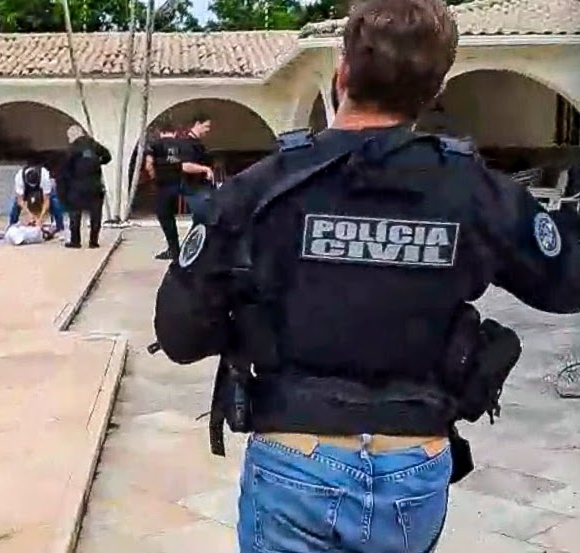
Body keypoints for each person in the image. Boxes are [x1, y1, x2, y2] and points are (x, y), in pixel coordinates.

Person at [151, 0, 580, 551]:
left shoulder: (259, 188)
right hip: (413, 462)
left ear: (342, 74)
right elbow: (564, 281)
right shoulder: (478, 193)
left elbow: (179, 333)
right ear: (433, 89)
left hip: (295, 458)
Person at [60, 125, 112, 249]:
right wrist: (98, 162)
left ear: (72, 136)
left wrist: (65, 187)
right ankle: (93, 242)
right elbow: (108, 156)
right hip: (95, 185)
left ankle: (75, 241)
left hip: (77, 186)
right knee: (96, 214)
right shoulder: (94, 144)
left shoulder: (72, 149)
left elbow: (66, 170)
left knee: (75, 213)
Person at [146, 117, 186, 261]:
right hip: (180, 184)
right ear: (174, 132)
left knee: (166, 218)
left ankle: (174, 249)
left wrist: (154, 177)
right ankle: (181, 249)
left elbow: (148, 165)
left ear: (160, 132)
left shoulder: (155, 145)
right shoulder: (182, 145)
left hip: (163, 186)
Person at [4, 163, 57, 245]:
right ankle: (11, 224)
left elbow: (46, 200)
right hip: (26, 191)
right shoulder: (19, 177)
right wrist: (29, 214)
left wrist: (40, 219)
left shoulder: (45, 176)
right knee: (15, 205)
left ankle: (59, 227)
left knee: (54, 201)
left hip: (40, 190)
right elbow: (20, 200)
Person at [178, 114, 215, 224]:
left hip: (202, 187)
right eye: (206, 126)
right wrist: (206, 169)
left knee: (203, 220)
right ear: (197, 124)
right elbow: (185, 166)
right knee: (204, 218)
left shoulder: (198, 143)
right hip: (194, 188)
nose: (208, 130)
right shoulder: (186, 143)